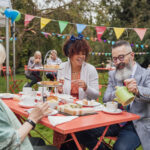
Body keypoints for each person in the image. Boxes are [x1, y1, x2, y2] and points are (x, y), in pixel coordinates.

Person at [72, 40, 150, 150]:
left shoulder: (146, 73)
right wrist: (119, 91)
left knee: (120, 148)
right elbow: (105, 98)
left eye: (121, 57)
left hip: (136, 125)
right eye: (114, 59)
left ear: (132, 55)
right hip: (115, 121)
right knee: (79, 131)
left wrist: (137, 90)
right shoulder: (113, 74)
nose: (117, 62)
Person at [0, 43, 58, 150]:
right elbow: (10, 143)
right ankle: (28, 85)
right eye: (0, 64)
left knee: (39, 141)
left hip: (11, 138)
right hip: (12, 144)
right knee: (53, 149)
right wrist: (32, 119)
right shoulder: (32, 60)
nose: (0, 68)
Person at [57, 34, 99, 100]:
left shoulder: (91, 69)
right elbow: (58, 92)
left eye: (83, 54)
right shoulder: (62, 67)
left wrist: (86, 88)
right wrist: (59, 90)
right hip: (66, 106)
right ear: (69, 54)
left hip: (85, 108)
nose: (81, 56)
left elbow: (96, 95)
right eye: (78, 53)